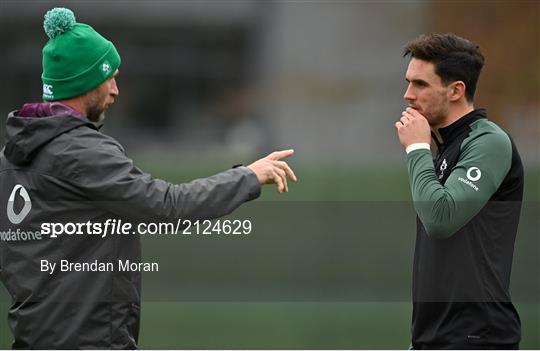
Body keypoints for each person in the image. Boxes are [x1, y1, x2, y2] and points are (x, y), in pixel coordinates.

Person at [0, 8, 296, 349]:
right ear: (84, 83)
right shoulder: (82, 152)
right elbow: (167, 206)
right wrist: (248, 176)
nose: (115, 90)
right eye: (109, 77)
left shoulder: (12, 156)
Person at [395, 33, 524, 349]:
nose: (407, 95)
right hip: (434, 339)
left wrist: (416, 149)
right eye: (408, 82)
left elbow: (441, 219)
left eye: (420, 85)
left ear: (456, 90)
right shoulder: (443, 148)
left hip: (478, 338)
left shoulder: (488, 142)